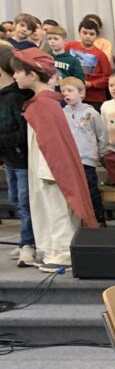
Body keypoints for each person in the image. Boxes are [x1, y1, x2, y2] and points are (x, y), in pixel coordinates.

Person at [11, 48, 98, 272]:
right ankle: (50, 250)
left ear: (32, 75)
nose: (15, 76)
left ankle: (62, 253)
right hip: (43, 168)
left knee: (56, 210)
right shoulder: (41, 102)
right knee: (46, 209)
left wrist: (49, 172)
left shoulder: (45, 104)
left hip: (50, 170)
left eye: (18, 72)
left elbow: (52, 144)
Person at [0, 45, 35, 266]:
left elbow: (22, 132)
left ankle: (28, 244)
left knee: (25, 203)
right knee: (15, 200)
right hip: (9, 159)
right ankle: (25, 240)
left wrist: (3, 142)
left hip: (21, 158)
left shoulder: (15, 97)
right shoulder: (3, 95)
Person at [60, 76, 108, 224]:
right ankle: (78, 221)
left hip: (87, 160)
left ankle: (98, 220)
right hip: (69, 160)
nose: (66, 94)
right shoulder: (62, 113)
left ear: (81, 93)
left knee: (90, 190)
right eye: (63, 91)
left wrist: (100, 153)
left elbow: (102, 134)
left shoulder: (91, 113)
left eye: (70, 90)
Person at [66, 18, 112, 109]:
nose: (88, 36)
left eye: (91, 34)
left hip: (94, 98)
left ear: (96, 36)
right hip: (71, 95)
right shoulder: (69, 46)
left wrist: (91, 84)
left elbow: (108, 78)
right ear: (79, 33)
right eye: (85, 33)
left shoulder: (100, 55)